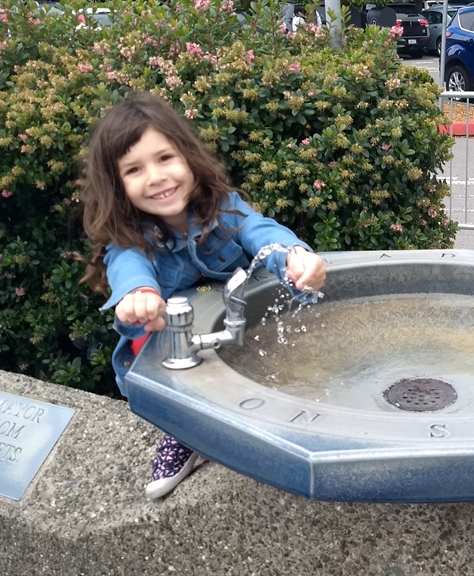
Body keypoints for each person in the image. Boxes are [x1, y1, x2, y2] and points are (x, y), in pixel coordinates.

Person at [79, 92, 327, 500]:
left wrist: (294, 257)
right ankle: (182, 432)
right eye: (134, 169)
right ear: (116, 185)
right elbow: (129, 270)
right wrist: (139, 295)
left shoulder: (224, 208)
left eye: (165, 158)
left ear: (188, 156)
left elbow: (260, 231)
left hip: (245, 331)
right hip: (186, 353)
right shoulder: (131, 241)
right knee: (163, 352)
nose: (155, 177)